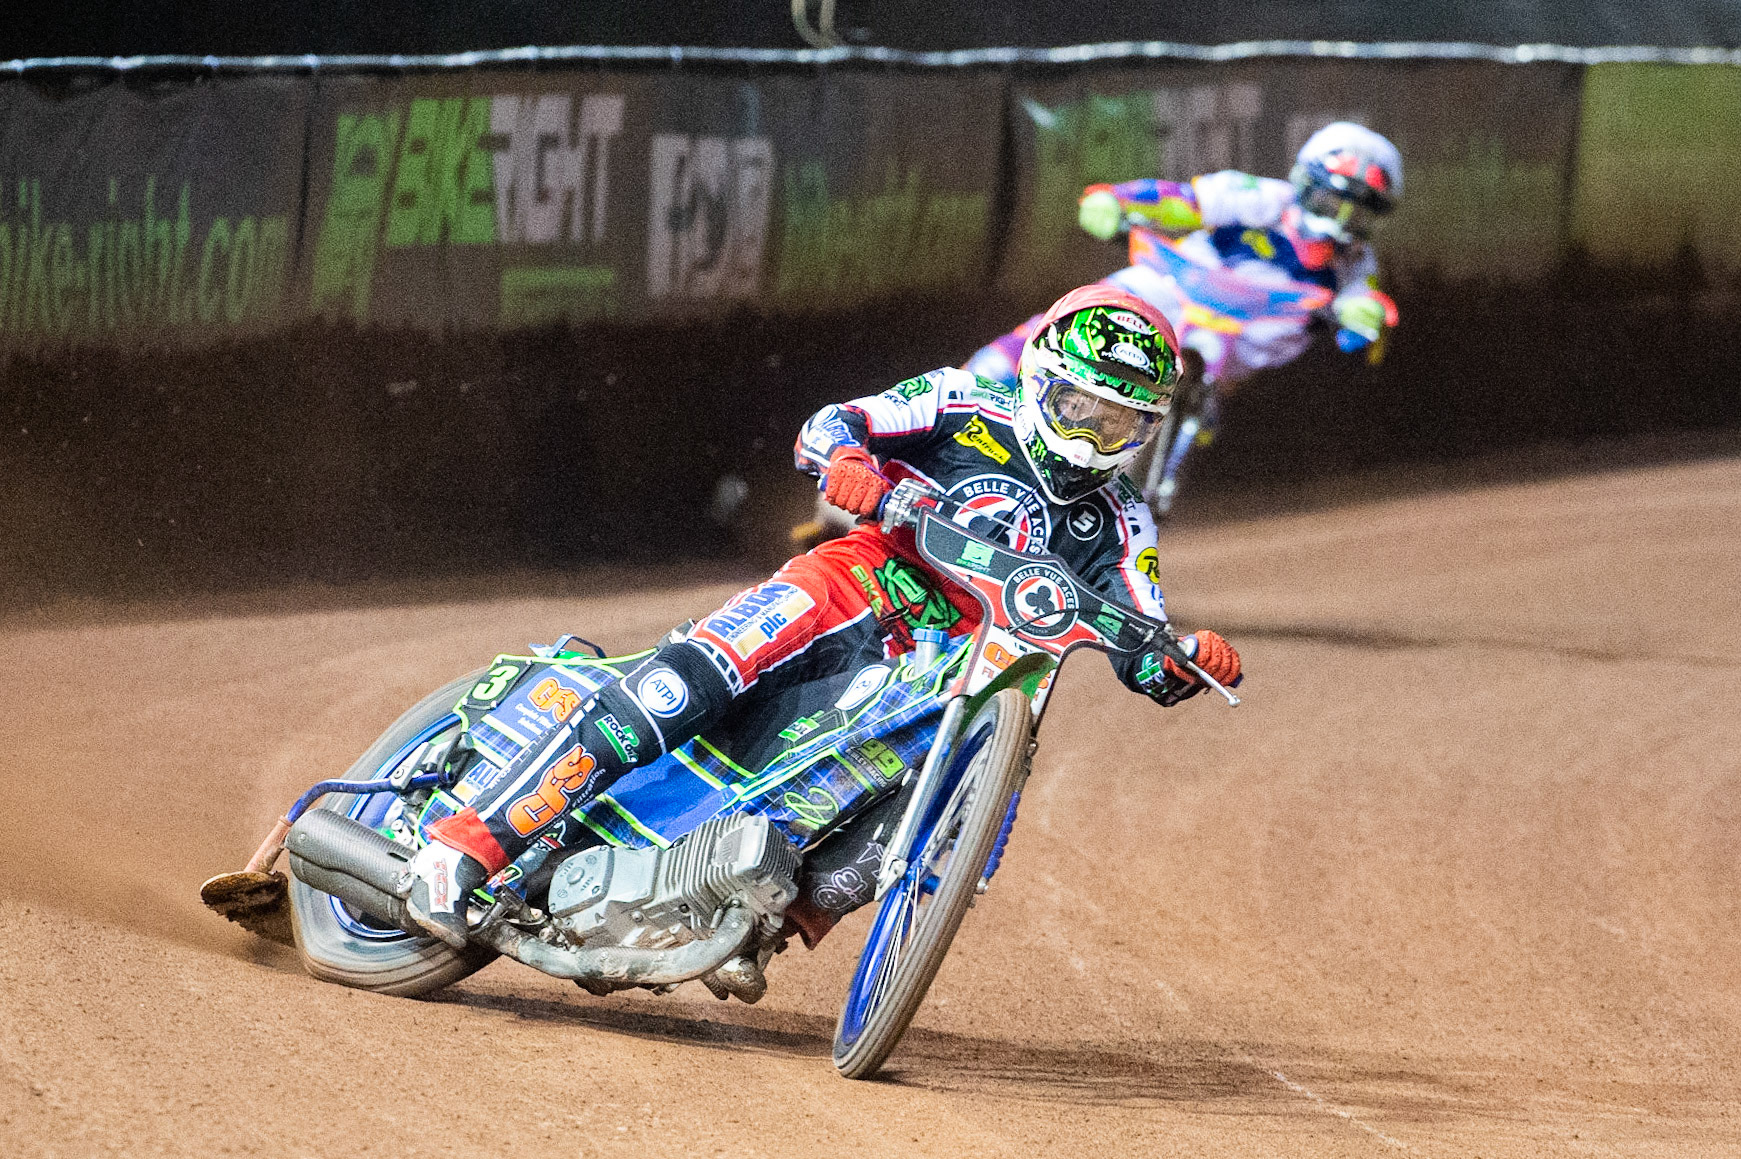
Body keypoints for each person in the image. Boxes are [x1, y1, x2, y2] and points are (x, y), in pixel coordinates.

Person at [402, 284, 1244, 948]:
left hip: (948, 664)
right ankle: (463, 846)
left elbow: (1143, 629)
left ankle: (761, 919)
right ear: (1039, 382)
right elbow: (836, 422)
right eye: (1078, 410)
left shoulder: (1122, 519)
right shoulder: (960, 401)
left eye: (1120, 422)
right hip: (856, 580)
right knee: (686, 683)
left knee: (946, 783)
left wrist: (1182, 660)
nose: (1093, 437)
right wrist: (846, 461)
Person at [966, 122, 1403, 512]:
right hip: (1171, 291)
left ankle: (1160, 467)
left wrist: (1363, 318)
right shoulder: (1260, 197)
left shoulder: (1355, 262)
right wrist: (1116, 200)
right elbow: (1183, 201)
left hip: (1241, 338)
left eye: (1359, 212)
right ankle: (973, 389)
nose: (1340, 221)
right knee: (1075, 321)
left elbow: (1365, 315)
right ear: (1304, 183)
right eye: (1329, 201)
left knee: (1245, 368)